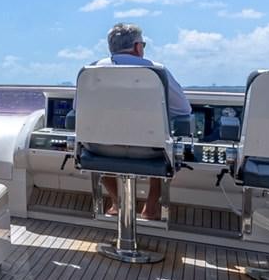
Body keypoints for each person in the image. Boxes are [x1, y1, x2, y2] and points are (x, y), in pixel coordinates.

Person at [81, 23, 192, 221]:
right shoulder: (157, 71)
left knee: (99, 138)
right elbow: (183, 110)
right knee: (165, 145)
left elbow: (78, 109)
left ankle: (117, 202)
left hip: (99, 149)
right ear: (138, 47)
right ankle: (150, 207)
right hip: (149, 152)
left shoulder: (91, 71)